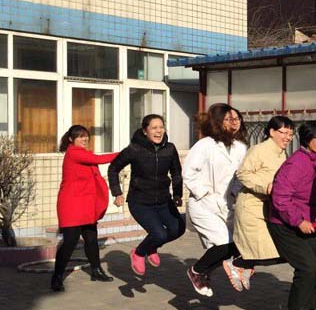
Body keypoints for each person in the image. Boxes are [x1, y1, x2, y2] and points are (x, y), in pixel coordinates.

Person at [267, 121, 316, 310]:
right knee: (307, 267)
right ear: (308, 139)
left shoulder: (315, 161)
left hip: (307, 222)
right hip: (285, 224)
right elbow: (280, 197)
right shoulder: (296, 163)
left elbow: (306, 194)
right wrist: (298, 221)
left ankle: (309, 307)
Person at [182, 104, 248, 296]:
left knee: (231, 247)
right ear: (217, 122)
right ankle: (196, 271)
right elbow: (189, 173)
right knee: (223, 243)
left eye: (236, 118)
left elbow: (241, 176)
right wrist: (204, 193)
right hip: (202, 204)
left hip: (226, 204)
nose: (233, 122)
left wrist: (234, 193)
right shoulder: (205, 145)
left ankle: (203, 272)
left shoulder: (240, 147)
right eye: (228, 119)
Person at [108, 114, 185, 277]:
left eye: (161, 127)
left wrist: (177, 194)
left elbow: (176, 173)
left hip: (164, 201)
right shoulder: (134, 149)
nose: (159, 131)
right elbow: (113, 168)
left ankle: (151, 247)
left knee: (178, 228)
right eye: (154, 128)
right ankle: (139, 253)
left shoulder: (170, 149)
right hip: (140, 202)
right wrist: (117, 192)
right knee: (159, 234)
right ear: (145, 131)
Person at [227, 115, 295, 291]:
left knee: (276, 251)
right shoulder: (258, 150)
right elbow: (242, 174)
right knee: (263, 251)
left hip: (270, 208)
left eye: (291, 134)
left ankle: (244, 266)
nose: (288, 137)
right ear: (272, 132)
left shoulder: (282, 153)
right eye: (284, 132)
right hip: (251, 206)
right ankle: (237, 264)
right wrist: (265, 187)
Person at [51, 125, 118, 292]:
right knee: (70, 242)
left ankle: (96, 271)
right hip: (72, 205)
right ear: (71, 139)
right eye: (80, 136)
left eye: (86, 136)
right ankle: (57, 277)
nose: (84, 139)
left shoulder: (82, 153)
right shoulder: (74, 152)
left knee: (91, 239)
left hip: (85, 204)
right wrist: (126, 153)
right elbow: (99, 159)